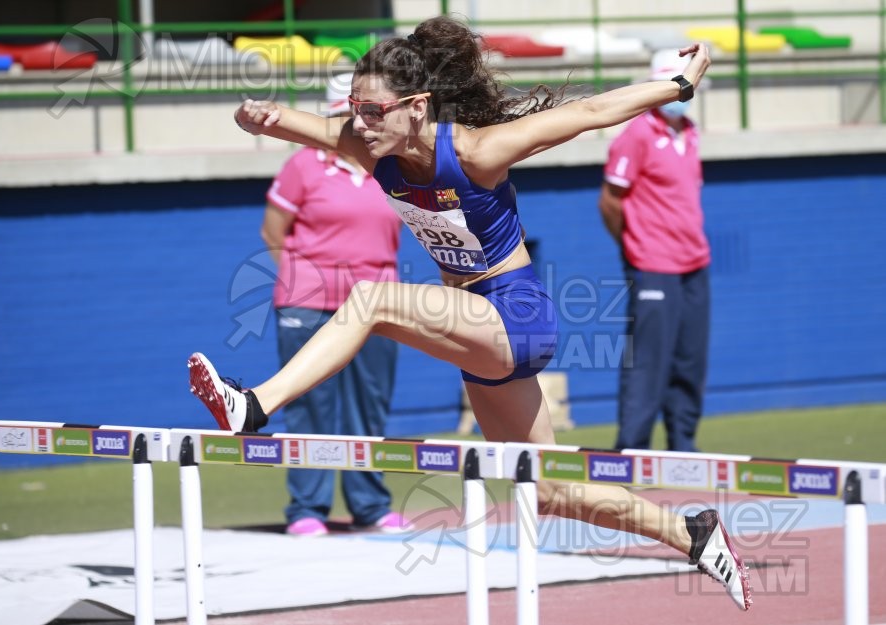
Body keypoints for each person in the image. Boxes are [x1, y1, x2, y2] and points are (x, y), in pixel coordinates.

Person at [188, 16, 751, 610]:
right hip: (474, 328)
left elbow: (588, 115)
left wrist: (678, 86)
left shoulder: (478, 152)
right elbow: (292, 124)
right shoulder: (371, 146)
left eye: (375, 110)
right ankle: (692, 534)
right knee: (551, 490)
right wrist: (256, 115)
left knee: (372, 298)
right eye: (356, 108)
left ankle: (253, 406)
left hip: (516, 314)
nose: (360, 122)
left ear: (417, 106)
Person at [260, 74, 409, 536]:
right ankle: (307, 509)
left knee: (370, 406)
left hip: (377, 307)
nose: (357, 126)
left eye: (366, 116)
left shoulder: (392, 168)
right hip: (308, 306)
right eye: (347, 116)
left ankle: (370, 505)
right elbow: (273, 233)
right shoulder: (302, 166)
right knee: (309, 406)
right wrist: (308, 283)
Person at [598, 49, 711, 453]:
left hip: (695, 264)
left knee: (690, 362)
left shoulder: (691, 132)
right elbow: (610, 201)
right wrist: (635, 247)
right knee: (647, 364)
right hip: (652, 267)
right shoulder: (637, 135)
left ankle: (684, 450)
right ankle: (632, 452)